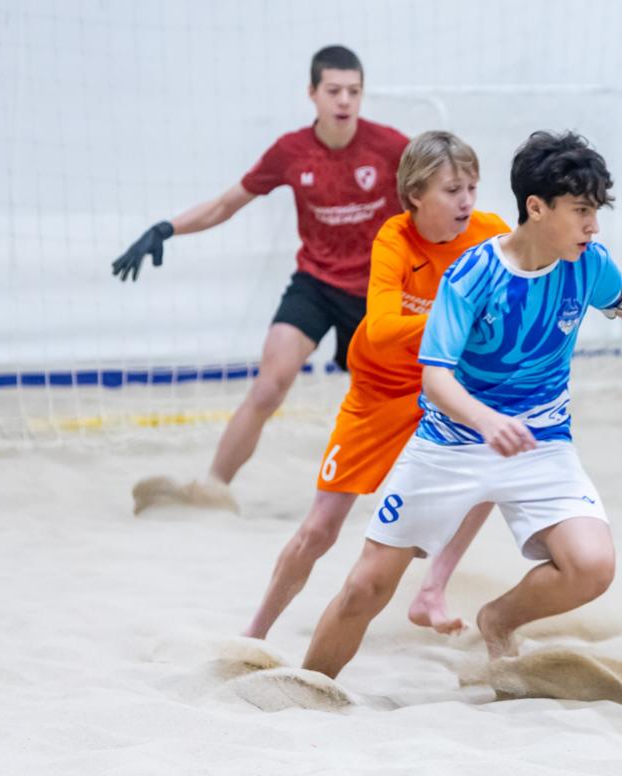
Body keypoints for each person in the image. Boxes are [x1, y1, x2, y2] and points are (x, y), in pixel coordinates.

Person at [300, 131, 622, 679]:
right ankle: (306, 690)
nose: (593, 226)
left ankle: (498, 619)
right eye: (581, 211)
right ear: (537, 207)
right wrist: (486, 419)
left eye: (595, 211)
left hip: (540, 444)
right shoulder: (473, 274)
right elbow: (436, 379)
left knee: (592, 566)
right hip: (451, 444)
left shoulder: (588, 263)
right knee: (366, 587)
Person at [114, 45, 409, 513]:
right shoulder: (290, 151)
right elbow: (224, 205)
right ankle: (212, 487)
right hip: (315, 284)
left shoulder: (391, 147)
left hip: (378, 293)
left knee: (401, 401)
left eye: (354, 91)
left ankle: (422, 494)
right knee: (270, 384)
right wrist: (166, 229)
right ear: (312, 93)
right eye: (334, 90)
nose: (344, 101)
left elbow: (439, 194)